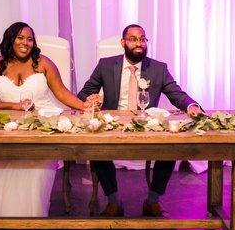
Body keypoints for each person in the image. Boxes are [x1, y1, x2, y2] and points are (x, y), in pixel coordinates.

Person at [0, 22, 91, 217]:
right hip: (6, 127)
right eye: (20, 37)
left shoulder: (43, 63)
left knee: (33, 169)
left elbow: (61, 92)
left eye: (30, 39)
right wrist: (14, 106)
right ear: (11, 39)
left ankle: (27, 218)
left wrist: (83, 106)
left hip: (40, 125)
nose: (26, 42)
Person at [78, 24, 202, 217]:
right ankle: (113, 201)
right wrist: (90, 99)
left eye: (142, 39)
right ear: (123, 42)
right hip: (113, 124)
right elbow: (84, 93)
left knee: (173, 146)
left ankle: (152, 200)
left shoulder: (159, 68)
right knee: (96, 147)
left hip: (147, 126)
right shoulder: (106, 65)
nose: (139, 43)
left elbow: (176, 94)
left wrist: (191, 106)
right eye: (133, 39)